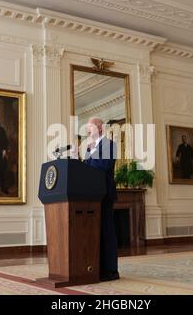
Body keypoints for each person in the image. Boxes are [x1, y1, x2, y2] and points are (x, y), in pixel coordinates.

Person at [76, 117, 119, 282]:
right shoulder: (90, 147)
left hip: (105, 193)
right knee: (94, 233)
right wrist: (77, 158)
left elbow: (103, 166)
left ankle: (110, 271)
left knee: (106, 232)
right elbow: (87, 169)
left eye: (90, 128)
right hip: (91, 194)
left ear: (100, 128)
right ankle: (95, 268)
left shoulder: (109, 144)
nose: (87, 131)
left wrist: (90, 156)